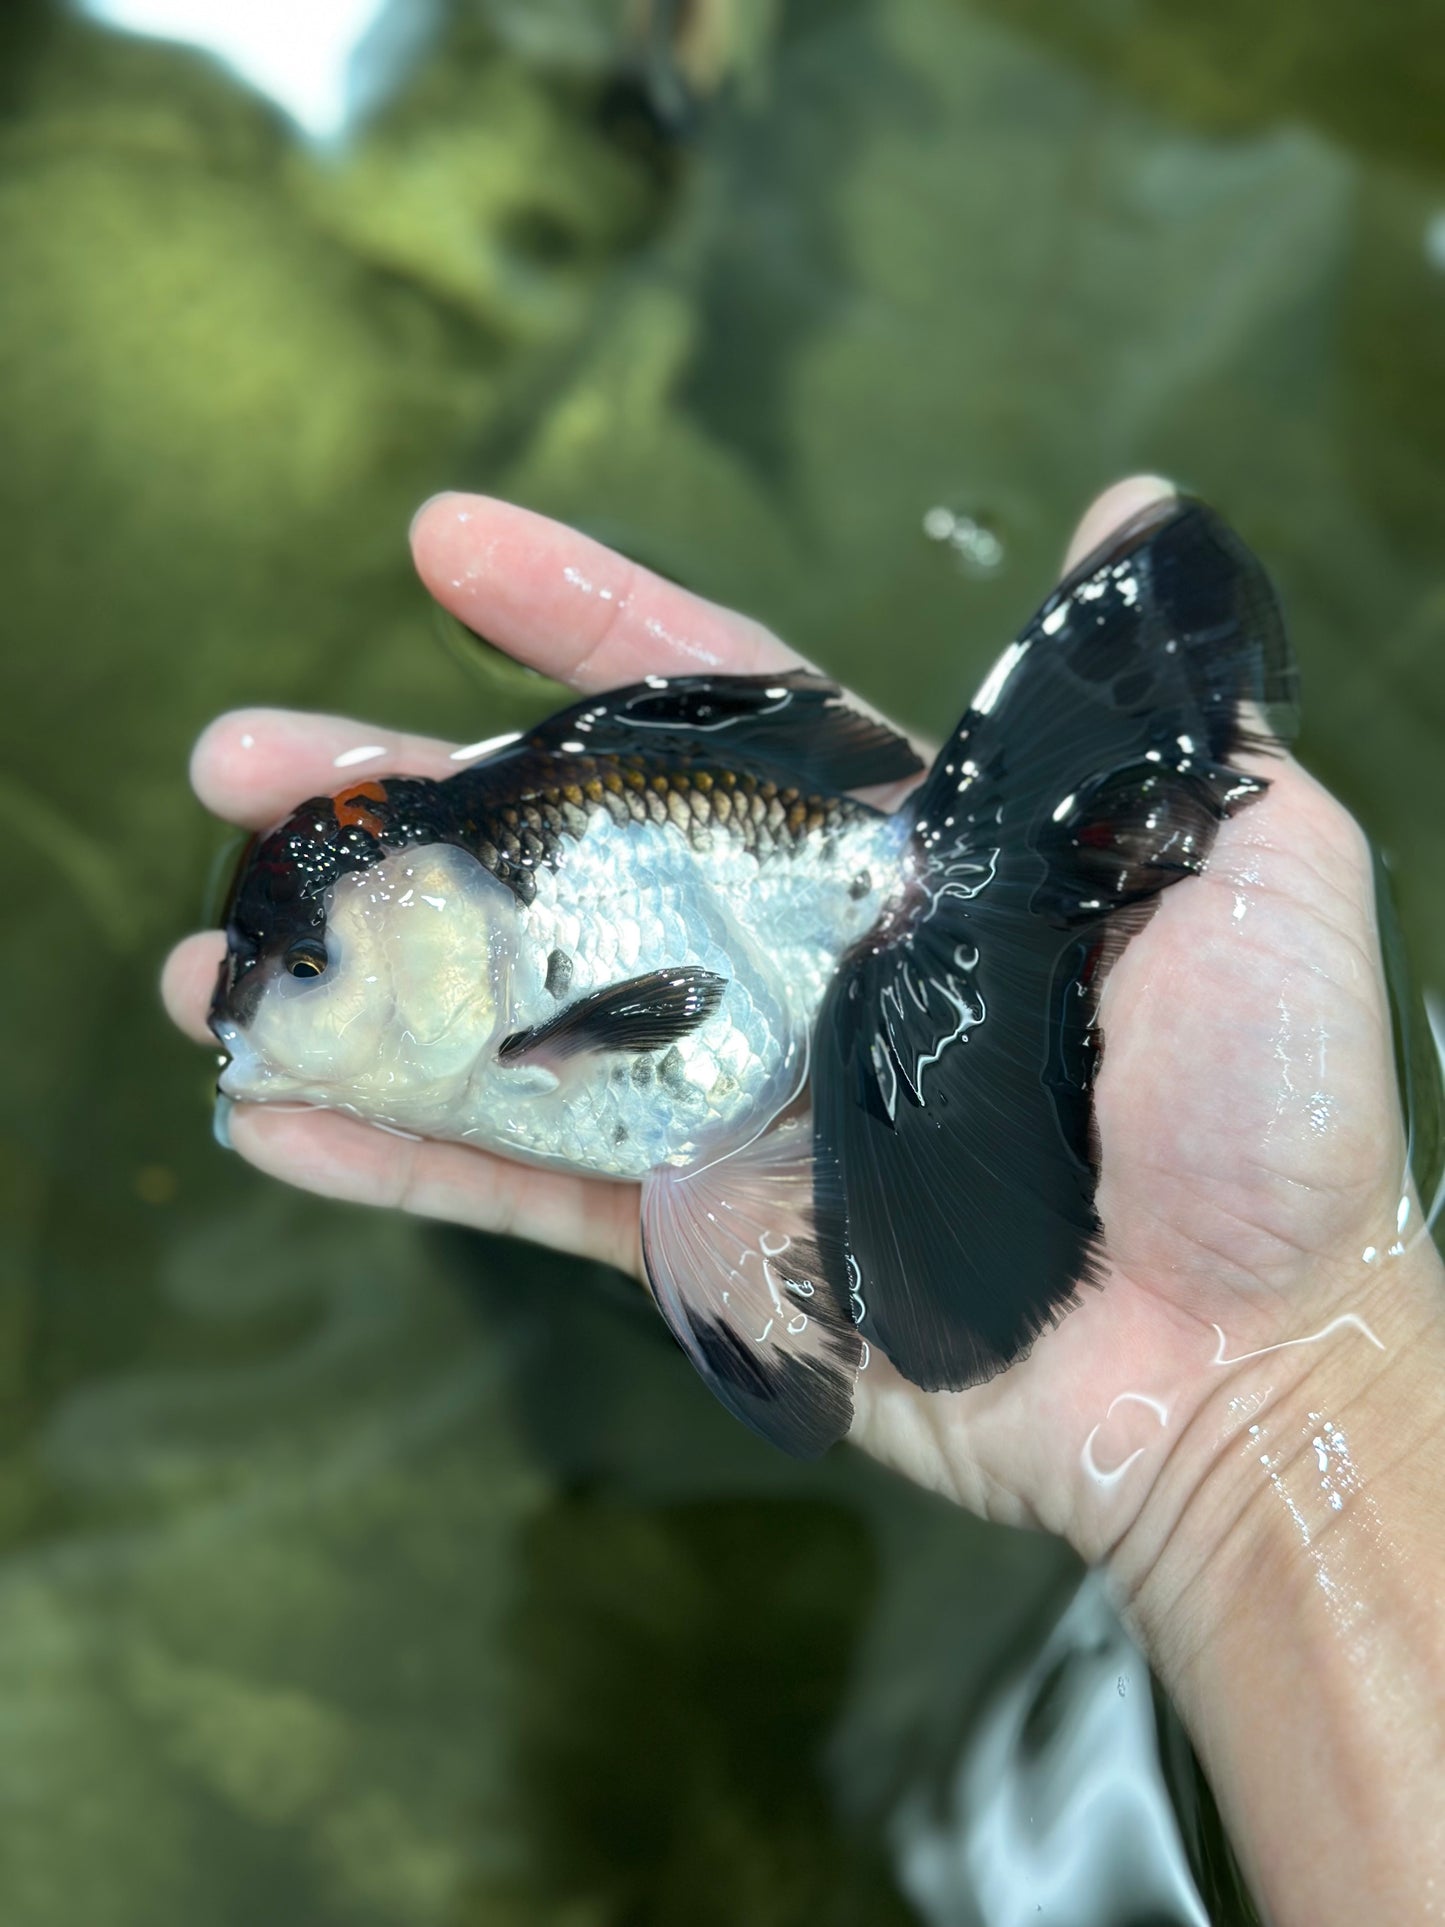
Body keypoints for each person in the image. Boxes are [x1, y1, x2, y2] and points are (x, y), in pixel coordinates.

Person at [162, 477, 1445, 1926]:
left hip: (815, 935)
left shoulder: (555, 959)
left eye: (312, 974)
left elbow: (679, 1012)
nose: (273, 1015)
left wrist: (1257, 1400)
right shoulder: (476, 972)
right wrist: (1261, 1405)